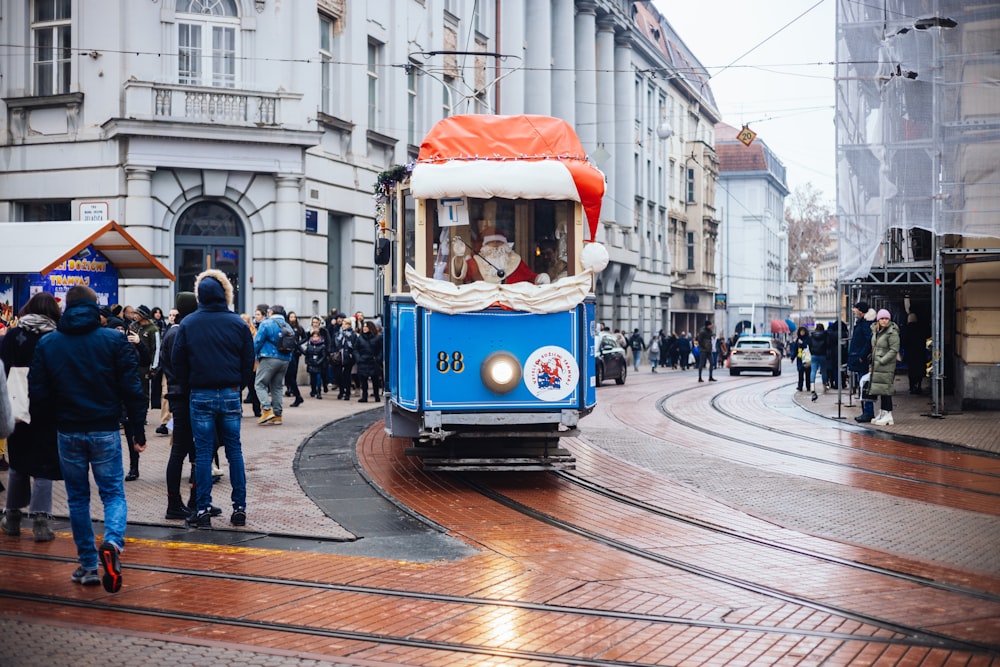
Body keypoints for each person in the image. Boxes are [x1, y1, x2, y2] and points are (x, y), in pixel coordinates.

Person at [30, 285, 147, 592]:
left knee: (78, 498)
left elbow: (38, 393)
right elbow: (133, 389)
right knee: (113, 494)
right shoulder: (113, 340)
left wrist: (47, 424)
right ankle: (112, 543)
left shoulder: (49, 343)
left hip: (68, 429)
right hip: (105, 428)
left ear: (66, 308)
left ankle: (87, 565)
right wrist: (138, 429)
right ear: (96, 307)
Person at [172, 269, 254, 530]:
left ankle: (203, 507)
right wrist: (237, 386)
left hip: (201, 392)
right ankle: (239, 507)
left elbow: (178, 362)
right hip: (229, 391)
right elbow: (248, 361)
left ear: (200, 296)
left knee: (204, 453)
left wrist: (190, 385)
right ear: (225, 293)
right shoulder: (238, 323)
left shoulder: (188, 323)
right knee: (235, 451)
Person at [1, 292, 63, 542]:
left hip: (16, 403)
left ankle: (12, 517)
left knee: (18, 460)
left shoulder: (14, 334)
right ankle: (40, 520)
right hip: (47, 405)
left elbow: (2, 367)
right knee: (45, 464)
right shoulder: (56, 337)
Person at [159, 292, 199, 520]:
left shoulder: (173, 331)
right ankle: (175, 503)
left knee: (189, 450)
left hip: (177, 394)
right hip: (184, 395)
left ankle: (191, 501)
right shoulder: (180, 332)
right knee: (182, 450)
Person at [454, 226, 549, 285]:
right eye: (491, 242)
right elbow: (460, 275)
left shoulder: (514, 260)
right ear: (485, 245)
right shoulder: (476, 261)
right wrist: (459, 256)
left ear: (505, 244)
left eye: (499, 241)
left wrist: (540, 278)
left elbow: (530, 278)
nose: (495, 244)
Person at [253, 304, 293, 425]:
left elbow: (258, 341)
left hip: (269, 356)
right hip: (285, 359)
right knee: (277, 386)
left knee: (259, 384)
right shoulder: (287, 325)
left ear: (270, 312)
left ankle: (266, 409)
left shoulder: (266, 323)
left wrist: (252, 355)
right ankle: (277, 415)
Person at [869, 309, 901, 426]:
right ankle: (883, 412)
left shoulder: (892, 332)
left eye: (886, 318)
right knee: (881, 390)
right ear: (878, 319)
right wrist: (871, 364)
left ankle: (888, 414)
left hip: (886, 365)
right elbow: (874, 349)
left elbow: (894, 350)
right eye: (882, 318)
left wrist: (882, 360)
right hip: (877, 365)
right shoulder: (877, 331)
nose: (884, 321)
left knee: (886, 390)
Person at [847, 301, 876, 422]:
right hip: (859, 358)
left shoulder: (865, 324)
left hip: (862, 360)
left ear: (861, 311)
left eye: (855, 309)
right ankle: (866, 412)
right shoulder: (862, 322)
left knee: (864, 386)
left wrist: (861, 356)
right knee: (863, 385)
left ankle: (868, 412)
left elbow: (868, 341)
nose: (853, 310)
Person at [355, 320, 383, 402]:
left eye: (366, 327)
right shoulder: (360, 338)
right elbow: (355, 349)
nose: (364, 328)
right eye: (363, 327)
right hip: (363, 361)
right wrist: (358, 358)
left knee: (375, 380)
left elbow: (381, 349)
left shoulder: (378, 337)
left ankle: (376, 395)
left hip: (373, 361)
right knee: (363, 380)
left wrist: (378, 358)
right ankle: (364, 396)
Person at [282, 311, 306, 408]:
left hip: (292, 353)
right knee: (288, 377)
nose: (293, 318)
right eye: (291, 317)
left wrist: (298, 344)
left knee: (291, 376)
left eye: (294, 317)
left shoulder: (296, 328)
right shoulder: (286, 326)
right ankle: (294, 394)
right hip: (288, 353)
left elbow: (304, 337)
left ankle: (297, 396)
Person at [332, 317, 358, 400]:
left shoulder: (353, 334)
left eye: (346, 324)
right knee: (338, 375)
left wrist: (352, 353)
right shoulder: (338, 334)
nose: (344, 325)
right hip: (338, 356)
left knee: (347, 375)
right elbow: (334, 344)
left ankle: (347, 393)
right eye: (343, 324)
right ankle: (341, 391)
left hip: (348, 356)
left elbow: (354, 345)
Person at [902, 312, 928, 395]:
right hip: (920, 352)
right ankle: (919, 386)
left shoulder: (907, 329)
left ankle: (912, 387)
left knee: (911, 371)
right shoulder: (921, 328)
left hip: (910, 353)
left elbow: (903, 340)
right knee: (919, 370)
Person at [302, 321, 329, 399]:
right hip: (311, 364)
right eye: (314, 337)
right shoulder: (310, 345)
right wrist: (308, 362)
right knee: (312, 380)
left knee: (318, 379)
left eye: (316, 337)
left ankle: (319, 392)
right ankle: (313, 390)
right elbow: (307, 354)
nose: (315, 338)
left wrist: (319, 362)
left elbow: (323, 356)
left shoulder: (322, 346)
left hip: (319, 365)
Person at [808, 323, 830, 402]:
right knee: (823, 371)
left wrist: (812, 352)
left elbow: (809, 345)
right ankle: (824, 386)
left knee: (813, 371)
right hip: (823, 355)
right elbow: (828, 345)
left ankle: (812, 387)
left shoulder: (812, 335)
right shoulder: (825, 335)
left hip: (814, 354)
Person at [790, 326, 812, 393]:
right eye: (801, 331)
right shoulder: (798, 339)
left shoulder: (808, 339)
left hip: (806, 358)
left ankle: (808, 386)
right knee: (800, 372)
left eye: (803, 331)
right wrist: (792, 357)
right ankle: (800, 387)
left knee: (808, 373)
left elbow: (809, 346)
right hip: (800, 358)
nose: (802, 333)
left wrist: (802, 343)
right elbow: (795, 349)